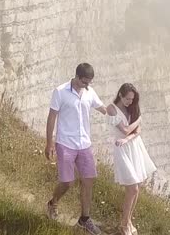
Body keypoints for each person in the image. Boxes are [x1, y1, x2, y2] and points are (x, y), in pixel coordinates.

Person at [45, 62, 108, 234]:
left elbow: (103, 109)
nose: (86, 85)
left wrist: (120, 111)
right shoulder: (60, 92)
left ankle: (84, 219)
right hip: (65, 143)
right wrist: (49, 143)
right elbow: (52, 117)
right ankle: (53, 203)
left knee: (88, 179)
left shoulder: (89, 92)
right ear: (77, 77)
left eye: (89, 82)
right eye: (84, 82)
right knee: (67, 182)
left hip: (84, 144)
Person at [106, 83, 156, 235]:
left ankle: (127, 221)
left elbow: (137, 132)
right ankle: (124, 224)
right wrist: (138, 120)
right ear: (120, 95)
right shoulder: (111, 109)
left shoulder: (131, 108)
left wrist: (128, 138)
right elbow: (126, 130)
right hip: (121, 149)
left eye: (132, 99)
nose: (130, 102)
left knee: (137, 187)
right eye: (127, 99)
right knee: (132, 188)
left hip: (133, 146)